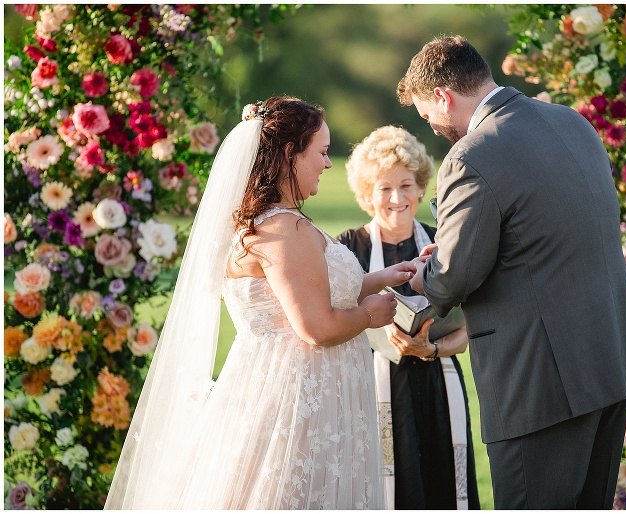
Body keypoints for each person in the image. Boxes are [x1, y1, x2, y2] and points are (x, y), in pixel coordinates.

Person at [105, 97, 418, 509]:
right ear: (290, 153)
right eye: (321, 152)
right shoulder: (284, 230)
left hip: (285, 388)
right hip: (298, 401)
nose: (328, 164)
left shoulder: (269, 222)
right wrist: (368, 315)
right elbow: (317, 327)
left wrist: (387, 277)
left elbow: (309, 292)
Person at [398, 36, 626, 509]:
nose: (434, 127)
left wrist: (427, 276)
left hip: (539, 383)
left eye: (427, 115)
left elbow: (454, 277)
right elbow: (547, 232)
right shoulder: (571, 122)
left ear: (442, 96)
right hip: (608, 360)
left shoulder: (470, 155)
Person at [337, 125, 480, 510]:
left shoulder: (444, 242)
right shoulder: (347, 249)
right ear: (367, 194)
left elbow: (471, 325)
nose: (397, 198)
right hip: (373, 389)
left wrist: (429, 348)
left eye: (406, 186)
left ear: (420, 188)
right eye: (384, 188)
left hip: (439, 386)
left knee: (443, 485)